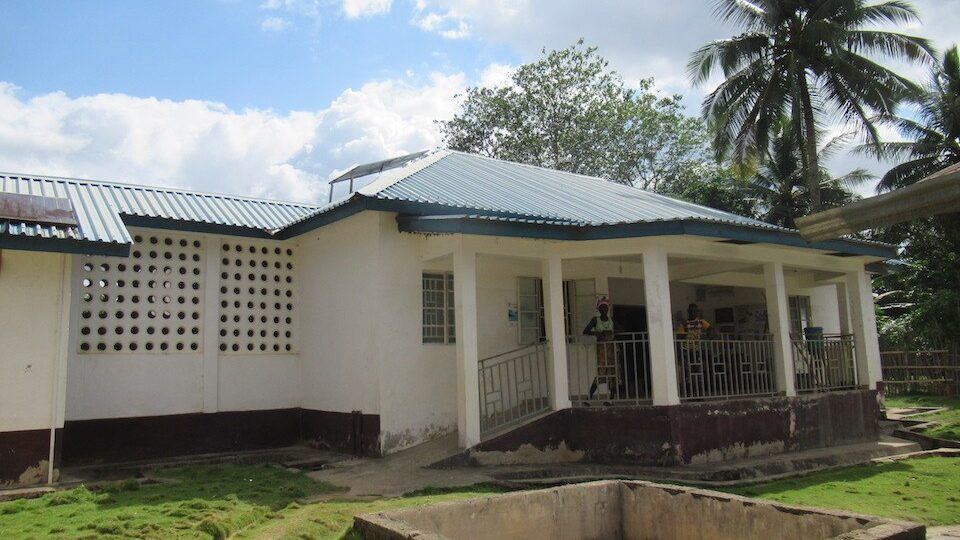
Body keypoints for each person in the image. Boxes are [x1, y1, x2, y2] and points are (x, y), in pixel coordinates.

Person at [582, 297, 616, 403]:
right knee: (601, 372)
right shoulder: (595, 320)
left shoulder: (612, 319)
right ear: (599, 309)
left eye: (605, 307)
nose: (604, 309)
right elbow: (585, 331)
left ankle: (611, 399)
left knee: (612, 372)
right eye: (601, 307)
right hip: (601, 350)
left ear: (608, 308)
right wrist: (596, 333)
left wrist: (612, 334)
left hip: (612, 349)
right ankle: (589, 398)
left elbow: (620, 329)